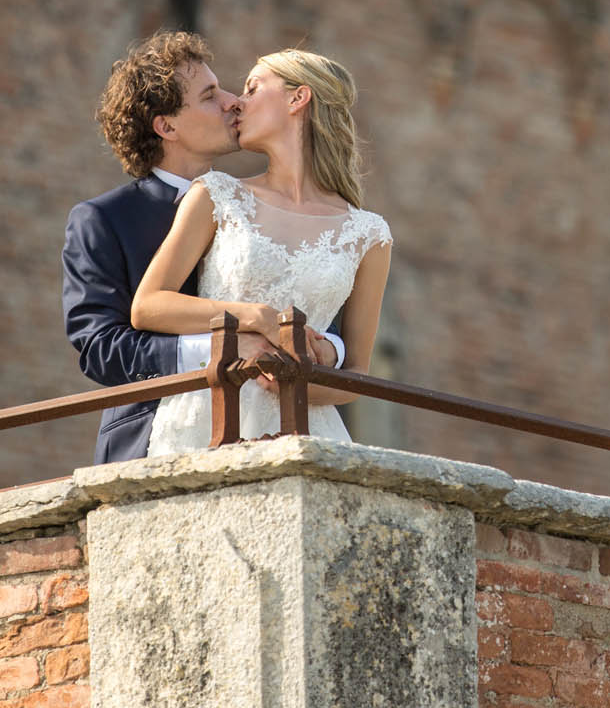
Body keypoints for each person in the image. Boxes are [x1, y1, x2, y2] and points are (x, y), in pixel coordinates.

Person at [62, 33, 345, 464]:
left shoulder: (260, 207)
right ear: (167, 127)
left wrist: (330, 348)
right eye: (210, 96)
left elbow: (324, 312)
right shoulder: (103, 219)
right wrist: (224, 349)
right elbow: (102, 349)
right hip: (151, 442)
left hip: (275, 430)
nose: (233, 102)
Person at [131, 48, 391, 451]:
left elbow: (356, 375)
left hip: (305, 429)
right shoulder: (216, 195)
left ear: (297, 98)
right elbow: (148, 306)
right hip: (208, 417)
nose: (237, 102)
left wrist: (294, 383)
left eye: (252, 88)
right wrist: (255, 317)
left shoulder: (369, 234)